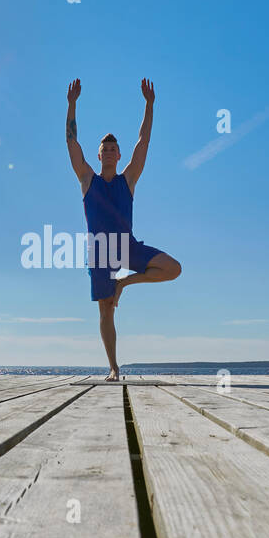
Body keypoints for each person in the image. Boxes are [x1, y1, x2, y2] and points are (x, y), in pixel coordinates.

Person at [65, 77, 182, 381]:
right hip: (100, 252)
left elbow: (143, 142)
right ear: (99, 155)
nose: (109, 152)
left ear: (118, 156)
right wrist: (72, 104)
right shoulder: (87, 179)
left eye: (114, 149)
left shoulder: (127, 180)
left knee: (173, 268)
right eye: (105, 148)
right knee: (106, 311)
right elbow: (71, 142)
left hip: (127, 247)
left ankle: (125, 284)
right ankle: (114, 367)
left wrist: (149, 105)